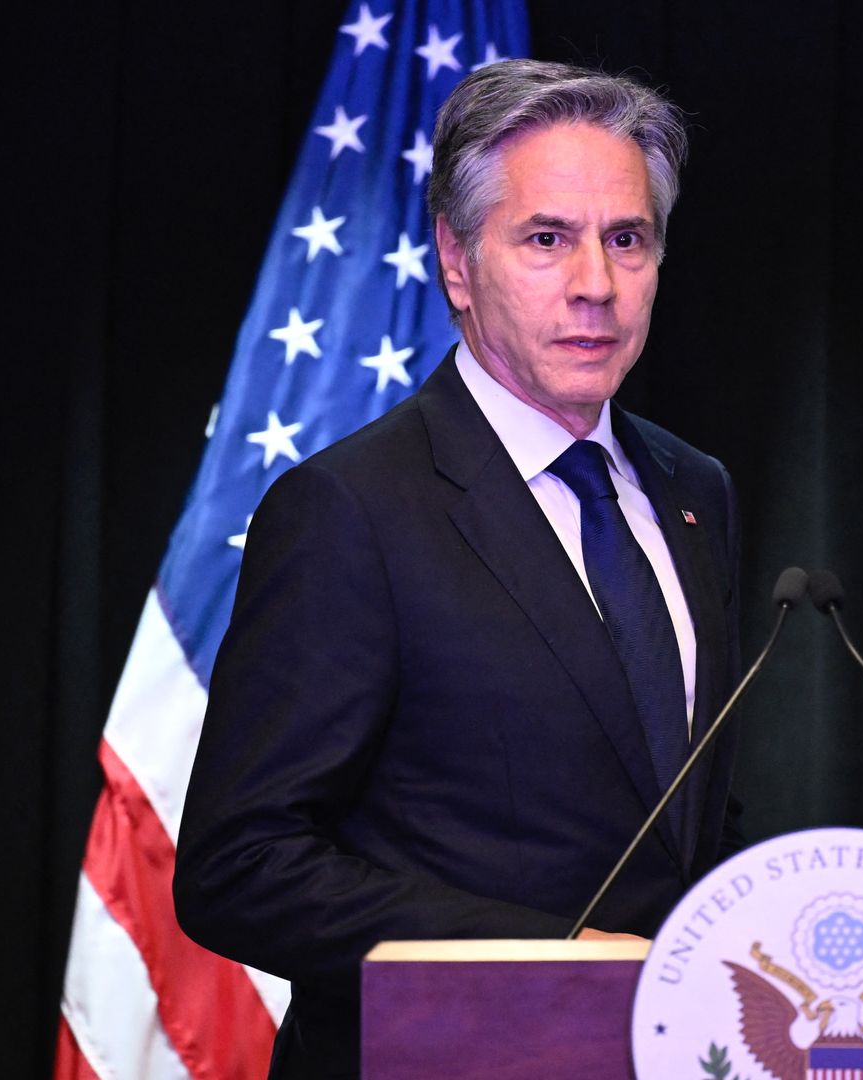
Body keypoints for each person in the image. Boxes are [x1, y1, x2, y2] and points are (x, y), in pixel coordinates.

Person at [174, 60, 744, 1078]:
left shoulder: (695, 492)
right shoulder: (352, 510)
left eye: (628, 239)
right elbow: (241, 868)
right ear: (455, 259)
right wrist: (545, 959)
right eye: (545, 239)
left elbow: (681, 820)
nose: (595, 285)